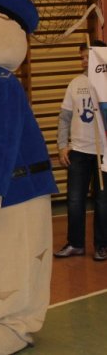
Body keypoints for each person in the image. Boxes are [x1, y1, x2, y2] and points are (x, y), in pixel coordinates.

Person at [54, 40, 107, 261]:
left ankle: (102, 245)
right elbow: (64, 118)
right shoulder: (75, 84)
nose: (84, 61)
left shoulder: (105, 83)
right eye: (82, 57)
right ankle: (75, 243)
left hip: (103, 152)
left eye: (88, 57)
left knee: (103, 201)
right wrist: (62, 146)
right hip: (78, 150)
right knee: (75, 200)